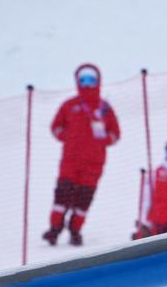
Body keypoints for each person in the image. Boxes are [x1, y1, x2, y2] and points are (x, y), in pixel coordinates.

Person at [43, 64, 121, 246]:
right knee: (62, 196)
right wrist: (68, 138)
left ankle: (75, 231)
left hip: (94, 164)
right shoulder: (69, 105)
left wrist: (101, 141)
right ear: (77, 81)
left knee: (83, 200)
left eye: (91, 80)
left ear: (98, 81)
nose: (87, 84)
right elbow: (56, 127)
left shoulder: (104, 108)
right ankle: (54, 230)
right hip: (70, 162)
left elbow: (115, 134)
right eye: (83, 80)